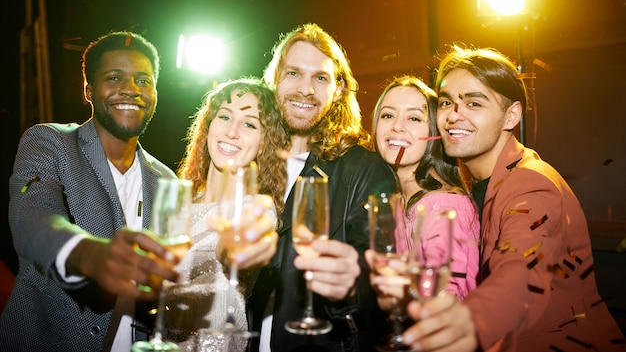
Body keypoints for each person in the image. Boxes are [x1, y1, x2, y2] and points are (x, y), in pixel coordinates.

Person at [400, 46, 626, 351]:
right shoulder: (469, 182)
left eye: (474, 103)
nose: (454, 115)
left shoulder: (531, 182)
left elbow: (520, 265)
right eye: (446, 102)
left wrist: (473, 321)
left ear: (511, 116)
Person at [0, 31, 183, 351]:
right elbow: (33, 216)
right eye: (114, 78)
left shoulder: (167, 180)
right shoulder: (50, 142)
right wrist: (91, 255)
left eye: (143, 80)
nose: (130, 89)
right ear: (88, 90)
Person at [246, 23, 398, 352]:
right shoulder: (249, 163)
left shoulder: (364, 169)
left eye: (320, 78)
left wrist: (354, 281)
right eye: (293, 74)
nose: (305, 89)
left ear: (339, 89)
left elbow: (379, 267)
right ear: (274, 80)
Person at [164, 77, 286, 352]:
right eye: (225, 117)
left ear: (264, 142)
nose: (232, 132)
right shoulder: (178, 203)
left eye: (249, 124)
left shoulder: (254, 209)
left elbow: (235, 249)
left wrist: (237, 247)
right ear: (208, 126)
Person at [366, 75, 479, 305]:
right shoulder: (397, 200)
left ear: (435, 134)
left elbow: (443, 300)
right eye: (387, 115)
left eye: (414, 118)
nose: (397, 126)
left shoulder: (443, 207)